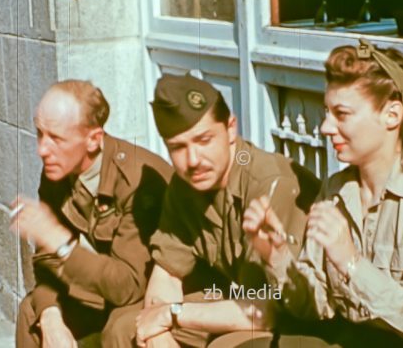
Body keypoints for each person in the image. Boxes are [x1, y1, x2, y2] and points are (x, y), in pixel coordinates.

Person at [243, 38, 403, 347]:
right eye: (327, 112)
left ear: (392, 116)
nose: (326, 127)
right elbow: (317, 307)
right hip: (357, 338)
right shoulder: (336, 189)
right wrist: (276, 255)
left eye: (341, 114)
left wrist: (351, 262)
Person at [126, 73, 320, 347]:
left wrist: (171, 314)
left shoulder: (269, 182)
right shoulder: (185, 185)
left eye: (204, 140)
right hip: (235, 299)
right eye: (178, 148)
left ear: (230, 129)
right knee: (126, 328)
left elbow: (265, 310)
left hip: (292, 318)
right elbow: (167, 272)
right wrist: (157, 333)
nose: (193, 160)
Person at [12, 80, 173, 348]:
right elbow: (46, 260)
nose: (42, 149)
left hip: (151, 295)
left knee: (120, 327)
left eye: (56, 138)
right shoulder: (58, 171)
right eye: (40, 133)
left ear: (94, 139)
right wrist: (50, 317)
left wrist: (62, 244)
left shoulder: (137, 181)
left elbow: (128, 286)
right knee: (33, 310)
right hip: (103, 286)